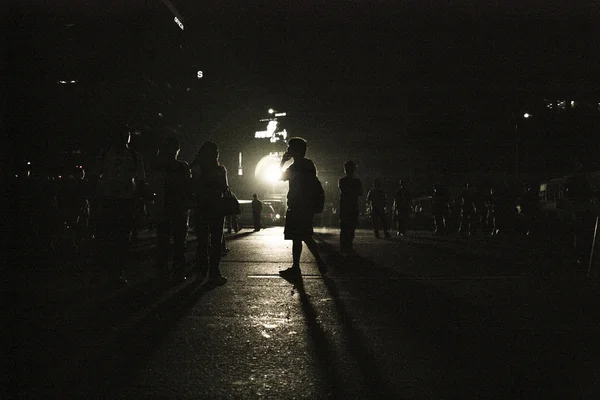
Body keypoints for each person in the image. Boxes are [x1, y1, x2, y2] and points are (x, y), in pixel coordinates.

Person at [92, 128, 146, 285]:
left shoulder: (133, 157)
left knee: (116, 239)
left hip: (121, 202)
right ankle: (108, 273)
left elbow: (95, 177)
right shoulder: (111, 155)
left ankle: (111, 273)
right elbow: (140, 181)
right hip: (112, 201)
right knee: (109, 238)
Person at [278, 137, 327, 278]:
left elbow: (280, 177)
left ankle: (300, 266)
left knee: (299, 237)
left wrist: (282, 162)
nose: (288, 150)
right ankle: (312, 262)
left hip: (298, 206)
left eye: (290, 147)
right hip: (306, 206)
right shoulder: (308, 165)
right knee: (304, 236)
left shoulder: (296, 166)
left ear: (295, 150)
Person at [153, 138, 191, 282]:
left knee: (162, 242)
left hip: (163, 207)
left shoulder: (159, 167)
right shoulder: (183, 167)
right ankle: (178, 272)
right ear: (177, 150)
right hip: (179, 209)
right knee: (179, 244)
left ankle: (161, 272)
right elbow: (188, 188)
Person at [190, 141, 228, 285]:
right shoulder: (220, 170)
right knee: (216, 242)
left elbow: (193, 187)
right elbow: (225, 188)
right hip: (217, 208)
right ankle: (214, 272)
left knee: (202, 242)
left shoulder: (197, 168)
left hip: (201, 207)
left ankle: (201, 272)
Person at [338, 160, 363, 255]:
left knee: (344, 227)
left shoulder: (342, 180)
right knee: (351, 227)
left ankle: (343, 246)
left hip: (345, 206)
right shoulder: (357, 181)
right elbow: (360, 193)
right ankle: (348, 245)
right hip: (353, 205)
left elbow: (344, 191)